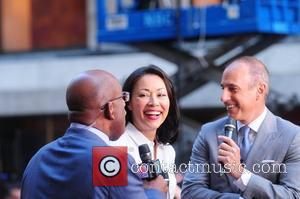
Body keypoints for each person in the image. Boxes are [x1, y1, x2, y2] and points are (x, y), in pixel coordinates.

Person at [21, 70, 167, 199]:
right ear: (111, 109)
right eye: (122, 98)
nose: (124, 106)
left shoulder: (38, 158)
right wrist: (155, 192)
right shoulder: (111, 161)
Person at [181, 56, 300, 198]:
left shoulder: (292, 136)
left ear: (260, 90)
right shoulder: (208, 133)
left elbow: (293, 195)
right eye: (223, 88)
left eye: (233, 89)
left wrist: (240, 174)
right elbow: (190, 192)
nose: (223, 97)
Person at [112, 65, 180, 198]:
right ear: (128, 102)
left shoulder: (167, 151)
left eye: (161, 95)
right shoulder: (114, 148)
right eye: (143, 95)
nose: (154, 102)